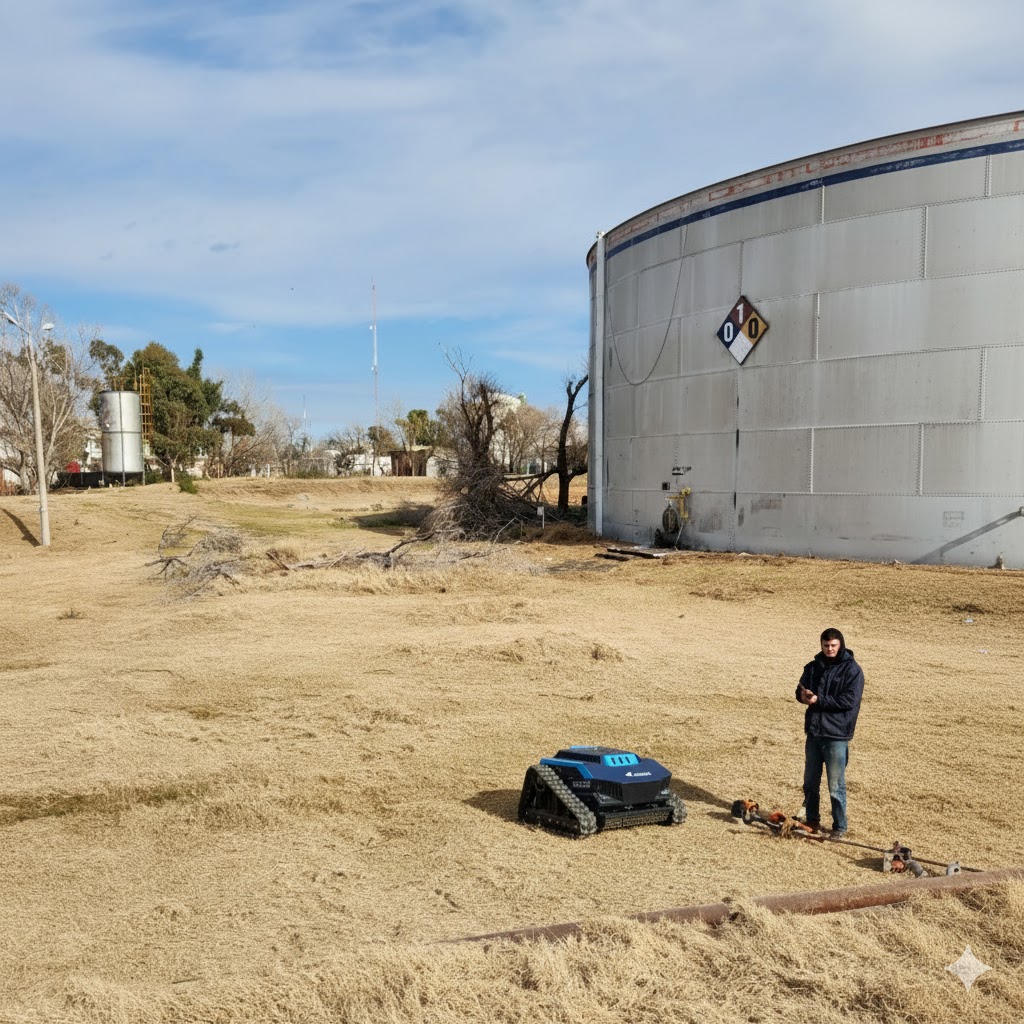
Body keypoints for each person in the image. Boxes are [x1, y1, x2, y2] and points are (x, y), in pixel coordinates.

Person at [795, 628, 864, 839]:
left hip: (836, 735)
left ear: (840, 644)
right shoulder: (813, 666)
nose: (829, 649)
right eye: (826, 645)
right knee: (810, 782)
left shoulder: (852, 671)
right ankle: (812, 820)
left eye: (833, 645)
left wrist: (819, 701)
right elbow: (799, 689)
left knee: (836, 785)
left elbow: (848, 701)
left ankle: (840, 827)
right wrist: (803, 696)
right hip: (815, 733)